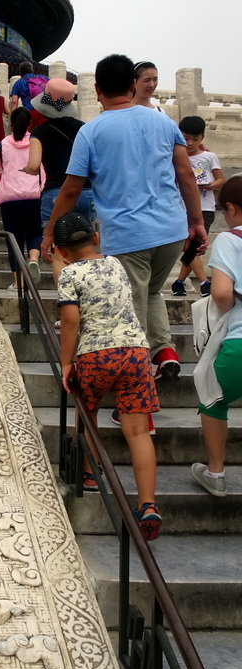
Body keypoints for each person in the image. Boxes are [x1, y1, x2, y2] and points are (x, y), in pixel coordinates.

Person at [41, 54, 206, 383]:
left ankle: (140, 406)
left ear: (98, 89)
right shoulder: (163, 122)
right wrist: (197, 223)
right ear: (133, 85)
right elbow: (186, 174)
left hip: (129, 236)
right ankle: (166, 351)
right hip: (171, 231)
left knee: (130, 318)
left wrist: (49, 233)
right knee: (152, 292)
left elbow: (71, 190)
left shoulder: (92, 132)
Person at [54, 212, 162, 540]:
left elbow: (71, 321)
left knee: (87, 415)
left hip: (95, 354)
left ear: (60, 251)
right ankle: (148, 504)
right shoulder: (116, 265)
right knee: (138, 432)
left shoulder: (69, 274)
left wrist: (66, 363)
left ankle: (89, 472)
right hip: (135, 352)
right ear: (96, 238)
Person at [191, 176, 242, 497]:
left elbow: (222, 293)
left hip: (239, 342)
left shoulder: (229, 239)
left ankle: (216, 473)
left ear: (231, 208)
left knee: (213, 398)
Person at [23, 78, 96, 233]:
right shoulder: (84, 127)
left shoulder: (39, 132)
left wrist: (28, 169)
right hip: (87, 191)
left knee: (57, 245)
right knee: (84, 243)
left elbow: (34, 165)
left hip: (56, 191)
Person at [0, 107, 43, 290]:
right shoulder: (36, 142)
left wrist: (1, 180)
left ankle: (18, 283)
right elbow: (42, 169)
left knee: (14, 240)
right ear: (29, 124)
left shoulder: (2, 145)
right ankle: (33, 258)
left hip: (10, 198)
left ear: (11, 122)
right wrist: (39, 187)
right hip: (33, 195)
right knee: (34, 233)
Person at [172, 116, 224, 297]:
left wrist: (211, 185)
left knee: (195, 247)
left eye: (196, 139)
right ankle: (204, 282)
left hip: (206, 207)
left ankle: (179, 282)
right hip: (182, 207)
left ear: (202, 138)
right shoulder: (175, 156)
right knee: (190, 247)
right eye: (186, 138)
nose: (190, 143)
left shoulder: (209, 157)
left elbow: (220, 179)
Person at [9, 61, 48, 130]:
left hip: (30, 113)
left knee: (30, 136)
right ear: (32, 70)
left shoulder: (18, 83)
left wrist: (13, 120)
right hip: (46, 111)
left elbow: (14, 102)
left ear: (20, 73)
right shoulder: (44, 78)